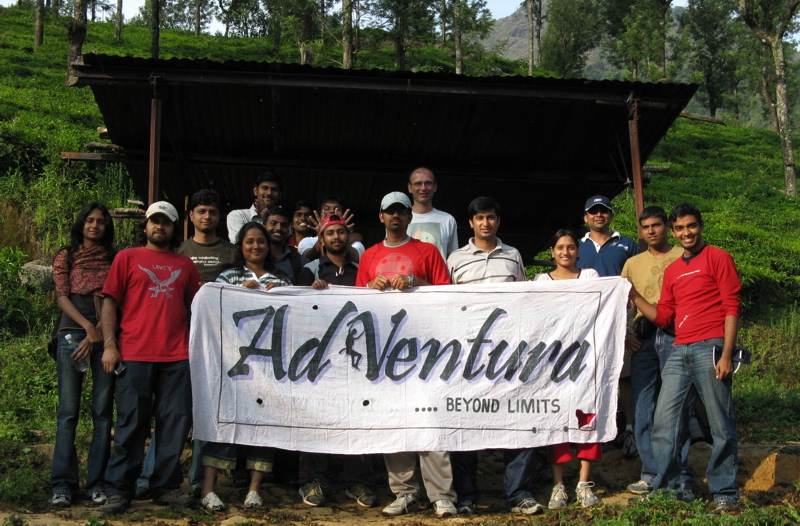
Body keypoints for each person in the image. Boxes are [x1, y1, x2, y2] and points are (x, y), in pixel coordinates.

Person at [629, 203, 741, 512]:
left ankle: (725, 493)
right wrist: (635, 296)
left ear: (700, 226)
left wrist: (727, 353)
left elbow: (731, 306)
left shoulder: (718, 258)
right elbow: (664, 317)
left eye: (690, 226)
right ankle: (672, 487)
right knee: (664, 422)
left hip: (711, 346)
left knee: (720, 423)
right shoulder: (673, 270)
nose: (685, 233)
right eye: (679, 228)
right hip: (678, 349)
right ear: (673, 231)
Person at [355, 191, 457, 518]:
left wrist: (416, 282)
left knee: (430, 418)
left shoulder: (427, 251)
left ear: (409, 216)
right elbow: (354, 304)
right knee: (394, 420)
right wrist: (369, 289)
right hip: (385, 351)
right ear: (381, 217)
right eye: (390, 212)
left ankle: (441, 494)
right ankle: (404, 492)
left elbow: (447, 296)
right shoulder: (368, 256)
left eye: (401, 211)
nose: (396, 217)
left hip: (425, 348)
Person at [100, 201, 201, 514]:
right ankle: (120, 489)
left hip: (176, 357)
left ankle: (165, 487)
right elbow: (109, 302)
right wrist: (109, 345)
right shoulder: (126, 258)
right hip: (135, 353)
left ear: (174, 228)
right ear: (145, 226)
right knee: (131, 423)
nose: (160, 227)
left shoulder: (185, 266)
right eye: (155, 222)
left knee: (173, 424)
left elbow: (197, 307)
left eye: (166, 222)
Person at [446, 197, 542, 515]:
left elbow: (526, 300)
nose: (486, 223)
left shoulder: (513, 256)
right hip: (468, 355)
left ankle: (518, 493)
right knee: (464, 422)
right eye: (480, 218)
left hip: (508, 354)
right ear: (470, 223)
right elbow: (445, 305)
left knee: (520, 417)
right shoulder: (455, 259)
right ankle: (468, 495)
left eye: (491, 218)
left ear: (498, 222)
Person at [199, 222, 289, 512]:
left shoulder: (282, 280)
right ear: (240, 246)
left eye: (260, 241)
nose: (256, 246)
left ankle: (254, 490)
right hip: (233, 364)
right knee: (226, 420)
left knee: (263, 425)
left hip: (269, 367)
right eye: (249, 241)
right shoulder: (227, 275)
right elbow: (210, 303)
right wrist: (239, 291)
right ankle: (208, 490)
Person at [294, 214, 376, 508]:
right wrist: (310, 293)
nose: (337, 238)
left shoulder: (362, 269)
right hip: (320, 359)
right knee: (317, 417)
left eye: (342, 233)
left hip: (357, 357)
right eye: (331, 234)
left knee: (357, 417)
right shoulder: (309, 271)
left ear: (348, 236)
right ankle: (315, 481)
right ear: (322, 240)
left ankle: (357, 481)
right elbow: (298, 311)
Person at [621, 206, 692, 496]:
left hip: (678, 334)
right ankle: (650, 472)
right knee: (643, 406)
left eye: (656, 225)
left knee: (677, 408)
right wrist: (626, 335)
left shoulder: (683, 255)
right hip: (644, 338)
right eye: (645, 226)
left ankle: (680, 473)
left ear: (668, 227)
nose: (651, 230)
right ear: (640, 231)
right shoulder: (632, 263)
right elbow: (622, 304)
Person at [50, 203, 117, 507]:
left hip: (105, 334)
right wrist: (88, 327)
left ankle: (96, 482)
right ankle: (63, 485)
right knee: (68, 411)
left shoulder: (114, 259)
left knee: (102, 413)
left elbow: (115, 297)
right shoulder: (67, 255)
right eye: (90, 220)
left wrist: (101, 330)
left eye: (101, 222)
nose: (95, 226)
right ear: (82, 224)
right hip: (72, 333)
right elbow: (63, 297)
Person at [534, 229, 602, 509]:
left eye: (571, 247)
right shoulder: (540, 281)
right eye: (560, 247)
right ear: (552, 251)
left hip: (587, 358)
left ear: (578, 250)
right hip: (552, 361)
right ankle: (559, 485)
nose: (565, 252)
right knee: (556, 420)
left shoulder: (591, 278)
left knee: (588, 416)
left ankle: (584, 483)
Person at [577, 195, 639, 457]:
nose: (599, 216)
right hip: (586, 319)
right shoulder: (577, 246)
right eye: (594, 212)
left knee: (623, 373)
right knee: (591, 373)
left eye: (604, 211)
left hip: (620, 315)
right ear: (586, 217)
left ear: (611, 215)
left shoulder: (627, 244)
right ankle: (593, 427)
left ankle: (630, 428)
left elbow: (636, 280)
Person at [179, 189, 235, 282]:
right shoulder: (178, 251)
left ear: (219, 216)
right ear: (191, 216)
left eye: (212, 212)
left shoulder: (233, 252)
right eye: (202, 212)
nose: (207, 216)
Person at [406, 167, 459, 260]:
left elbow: (454, 259)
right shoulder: (400, 218)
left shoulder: (447, 220)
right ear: (409, 188)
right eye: (418, 183)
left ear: (435, 187)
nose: (423, 188)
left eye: (428, 183)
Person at [297, 196, 365, 260]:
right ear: (320, 214)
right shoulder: (307, 241)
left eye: (337, 209)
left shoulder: (356, 244)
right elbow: (307, 258)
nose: (332, 211)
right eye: (326, 209)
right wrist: (321, 238)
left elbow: (355, 257)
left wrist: (346, 235)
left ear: (343, 214)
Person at [226, 172, 282, 242]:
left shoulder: (284, 221)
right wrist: (265, 221)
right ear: (255, 191)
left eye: (274, 189)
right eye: (265, 188)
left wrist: (267, 219)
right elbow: (237, 243)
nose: (269, 193)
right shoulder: (237, 215)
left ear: (279, 195)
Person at [262, 205, 306, 284]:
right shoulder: (254, 256)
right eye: (273, 223)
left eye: (284, 225)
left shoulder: (298, 261)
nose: (278, 228)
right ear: (264, 226)